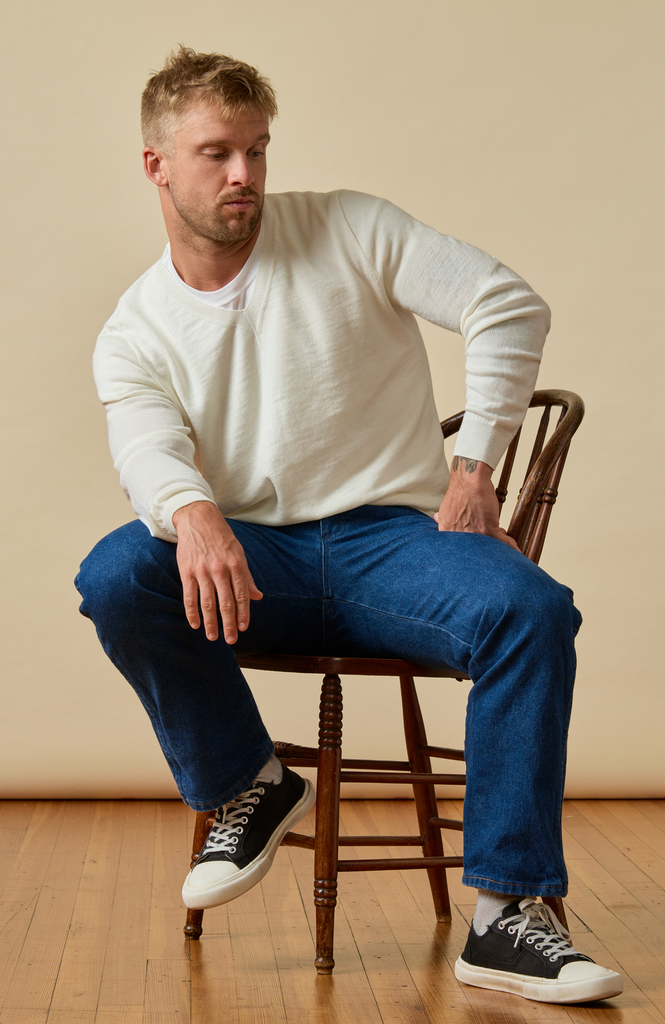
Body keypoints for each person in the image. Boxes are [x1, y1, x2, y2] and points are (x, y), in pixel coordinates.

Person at [75, 47, 622, 1005]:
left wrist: (475, 464)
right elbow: (147, 447)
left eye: (256, 149)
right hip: (256, 565)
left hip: (391, 549)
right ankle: (251, 783)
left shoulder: (348, 227)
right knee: (119, 573)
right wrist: (194, 515)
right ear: (156, 165)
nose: (242, 174)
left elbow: (506, 304)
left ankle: (504, 918)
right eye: (215, 154)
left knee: (530, 610)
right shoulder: (135, 329)